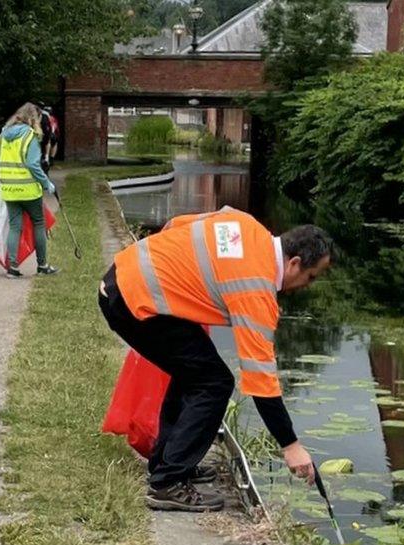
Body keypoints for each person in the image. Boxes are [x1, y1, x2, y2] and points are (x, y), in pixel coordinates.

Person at [98, 208, 335, 512]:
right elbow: (262, 383)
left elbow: (177, 225)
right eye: (310, 277)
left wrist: (179, 277)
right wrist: (291, 446)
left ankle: (169, 463)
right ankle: (167, 482)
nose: (307, 285)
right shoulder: (256, 288)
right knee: (214, 382)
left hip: (123, 278)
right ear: (294, 263)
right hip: (136, 304)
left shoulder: (246, 224)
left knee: (194, 373)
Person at [0, 103, 59, 278]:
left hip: (9, 189)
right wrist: (47, 183)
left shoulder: (2, 136)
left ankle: (12, 267)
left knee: (15, 226)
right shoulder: (30, 137)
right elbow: (33, 164)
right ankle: (42, 265)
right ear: (33, 119)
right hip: (28, 190)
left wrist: (6, 169)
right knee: (39, 224)